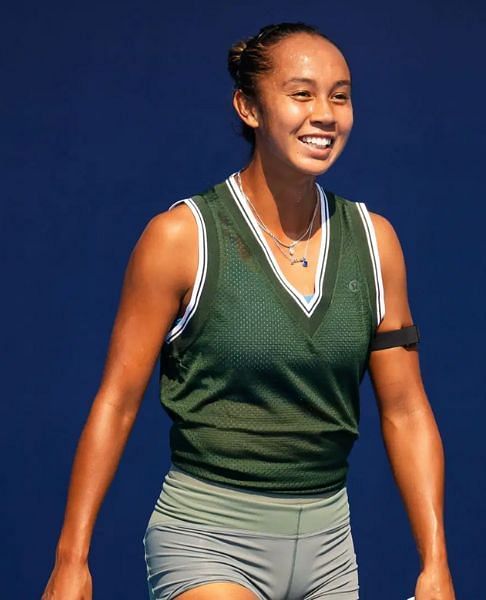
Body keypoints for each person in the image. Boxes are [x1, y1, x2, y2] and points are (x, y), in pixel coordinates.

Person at [42, 23, 453, 600]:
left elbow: (406, 410)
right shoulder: (179, 238)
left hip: (331, 550)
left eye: (340, 95)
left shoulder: (376, 242)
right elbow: (117, 400)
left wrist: (434, 564)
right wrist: (71, 561)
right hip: (205, 540)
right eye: (302, 94)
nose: (326, 114)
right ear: (249, 107)